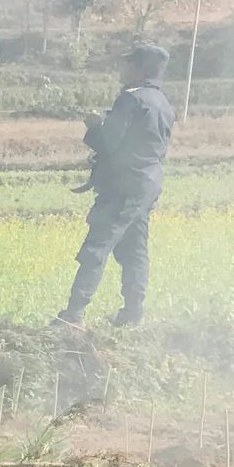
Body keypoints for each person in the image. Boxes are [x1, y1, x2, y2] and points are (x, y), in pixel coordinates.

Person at [54, 42, 175, 328]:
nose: (123, 67)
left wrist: (94, 125)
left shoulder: (131, 100)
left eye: (128, 63)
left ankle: (73, 315)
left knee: (97, 246)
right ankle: (133, 313)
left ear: (140, 68)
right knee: (134, 249)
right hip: (147, 184)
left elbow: (107, 143)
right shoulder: (163, 104)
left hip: (122, 186)